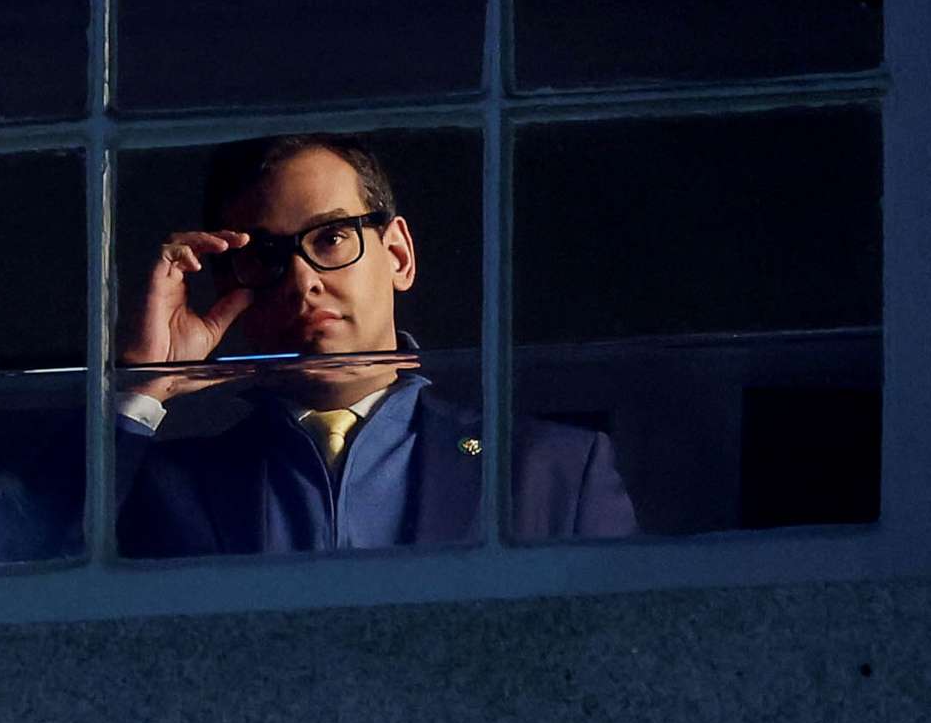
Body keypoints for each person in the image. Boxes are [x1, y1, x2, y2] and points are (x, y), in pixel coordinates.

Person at [115, 134, 638, 555]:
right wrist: (144, 386)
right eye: (266, 256)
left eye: (332, 237)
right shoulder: (161, 487)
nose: (303, 281)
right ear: (231, 286)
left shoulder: (554, 470)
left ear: (398, 255)